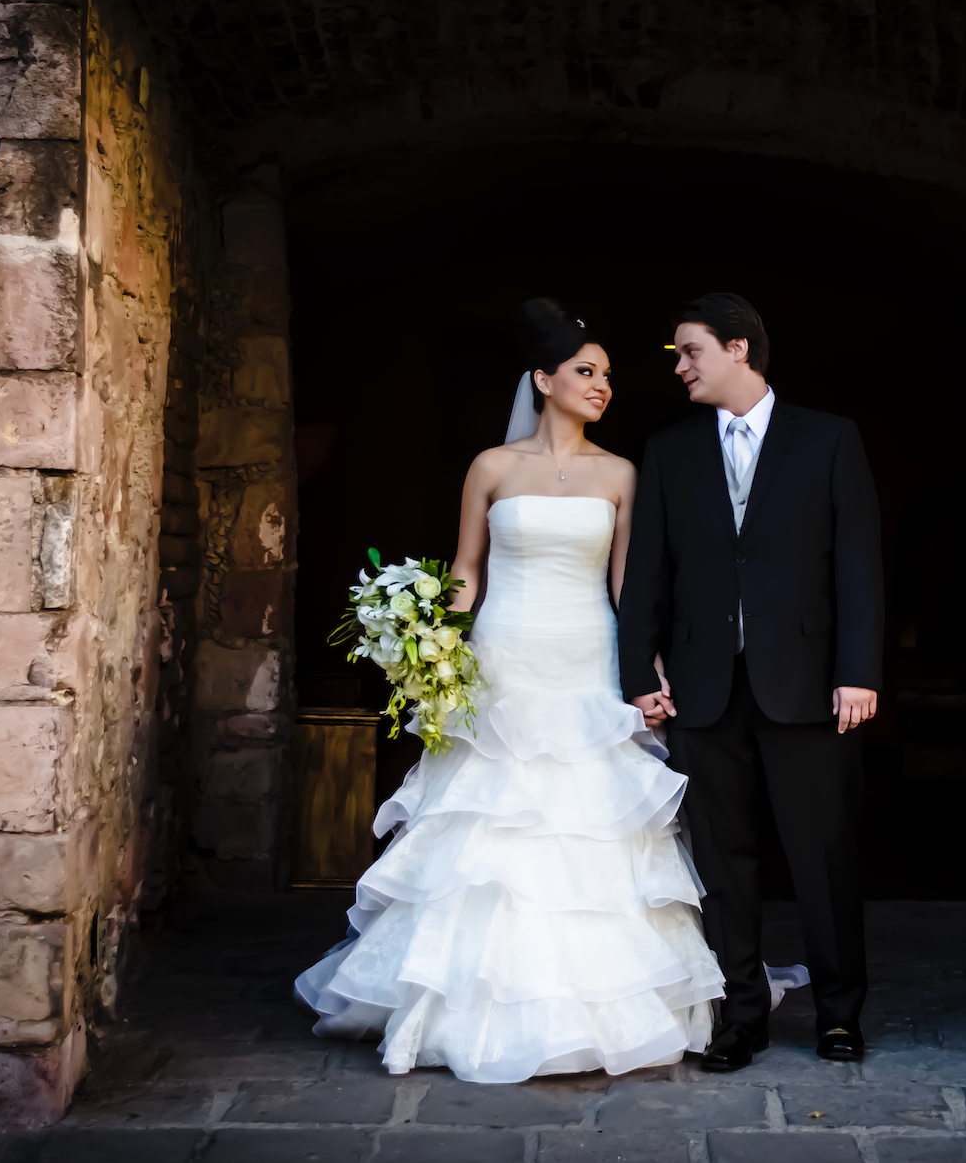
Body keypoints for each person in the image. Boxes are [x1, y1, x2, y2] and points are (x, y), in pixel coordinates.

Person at [295, 299, 724, 1082]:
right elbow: (467, 569)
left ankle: (603, 1012)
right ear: (543, 379)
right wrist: (437, 651)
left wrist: (648, 670)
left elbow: (630, 583)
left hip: (588, 654)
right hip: (506, 655)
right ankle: (459, 1010)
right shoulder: (491, 467)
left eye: (607, 377)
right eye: (585, 373)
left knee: (589, 819)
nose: (602, 386)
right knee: (489, 821)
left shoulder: (621, 473)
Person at [618, 293, 884, 1072]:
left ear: (739, 349)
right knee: (722, 864)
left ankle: (840, 1016)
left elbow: (859, 564)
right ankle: (741, 1015)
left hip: (807, 684)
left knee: (822, 856)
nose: (678, 368)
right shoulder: (668, 451)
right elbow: (647, 575)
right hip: (703, 688)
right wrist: (640, 672)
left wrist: (858, 671)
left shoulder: (831, 440)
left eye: (689, 351)